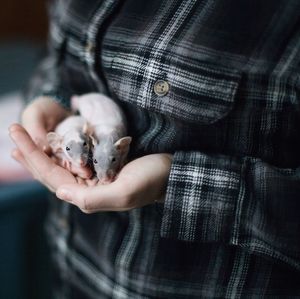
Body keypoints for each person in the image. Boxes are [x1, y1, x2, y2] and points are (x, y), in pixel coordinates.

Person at [9, 0, 300, 297]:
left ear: (122, 147)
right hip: (75, 274)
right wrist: (49, 101)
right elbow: (54, 61)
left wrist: (173, 181)